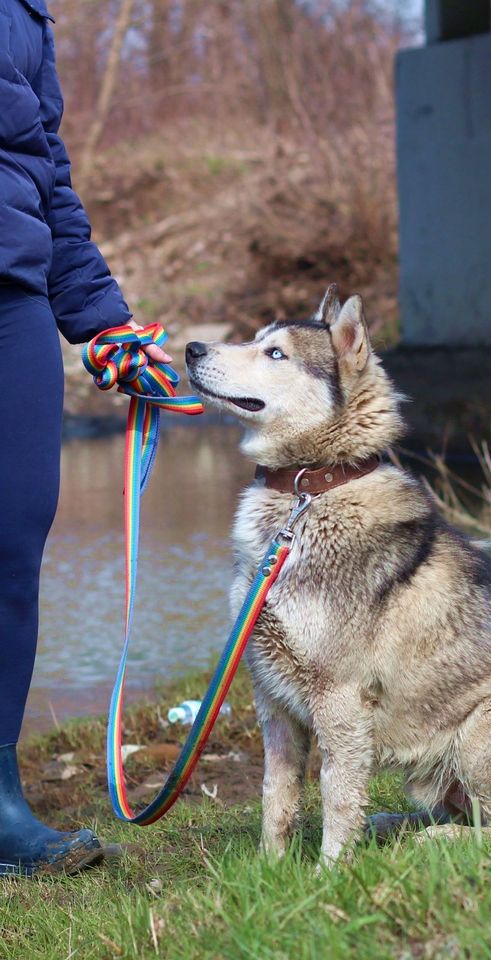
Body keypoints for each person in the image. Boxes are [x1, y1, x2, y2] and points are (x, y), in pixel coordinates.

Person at [0, 0, 171, 876]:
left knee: (13, 541)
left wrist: (101, 320)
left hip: (13, 294)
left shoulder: (28, 15)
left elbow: (45, 172)